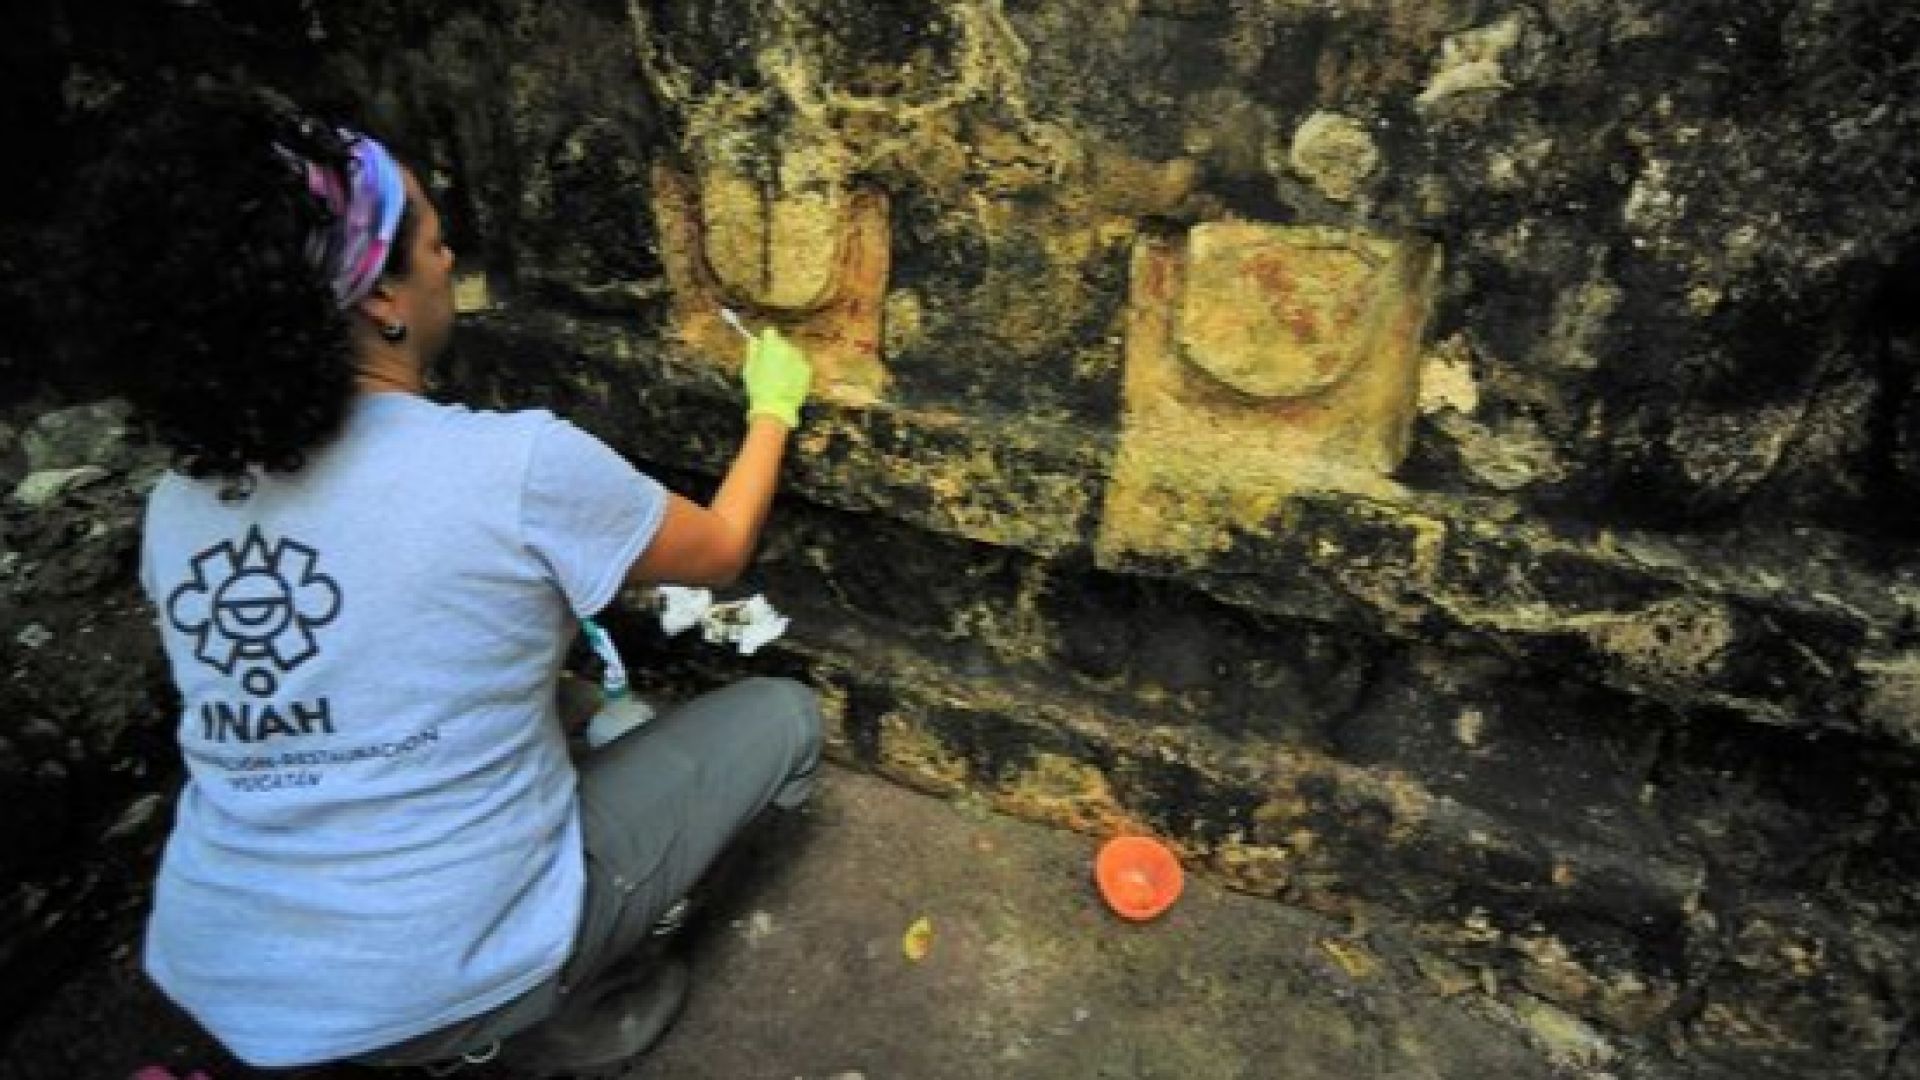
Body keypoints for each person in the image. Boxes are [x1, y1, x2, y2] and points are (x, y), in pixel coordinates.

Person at [68, 84, 823, 1074]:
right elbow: (722, 549)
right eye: (431, 241)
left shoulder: (180, 502)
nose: (447, 260)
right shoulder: (514, 469)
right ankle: (563, 1017)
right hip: (440, 975)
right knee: (782, 718)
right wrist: (773, 410)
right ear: (380, 297)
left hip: (224, 977)